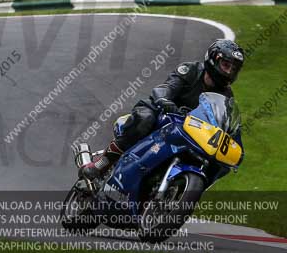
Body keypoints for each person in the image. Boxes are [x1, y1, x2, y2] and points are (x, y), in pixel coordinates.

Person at [79, 39, 245, 181]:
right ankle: (103, 162)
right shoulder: (191, 70)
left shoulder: (226, 95)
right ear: (213, 59)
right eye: (226, 65)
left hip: (191, 131)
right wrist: (164, 100)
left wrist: (236, 144)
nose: (229, 71)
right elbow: (167, 87)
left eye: (233, 69)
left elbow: (226, 123)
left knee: (215, 162)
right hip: (163, 113)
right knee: (146, 119)